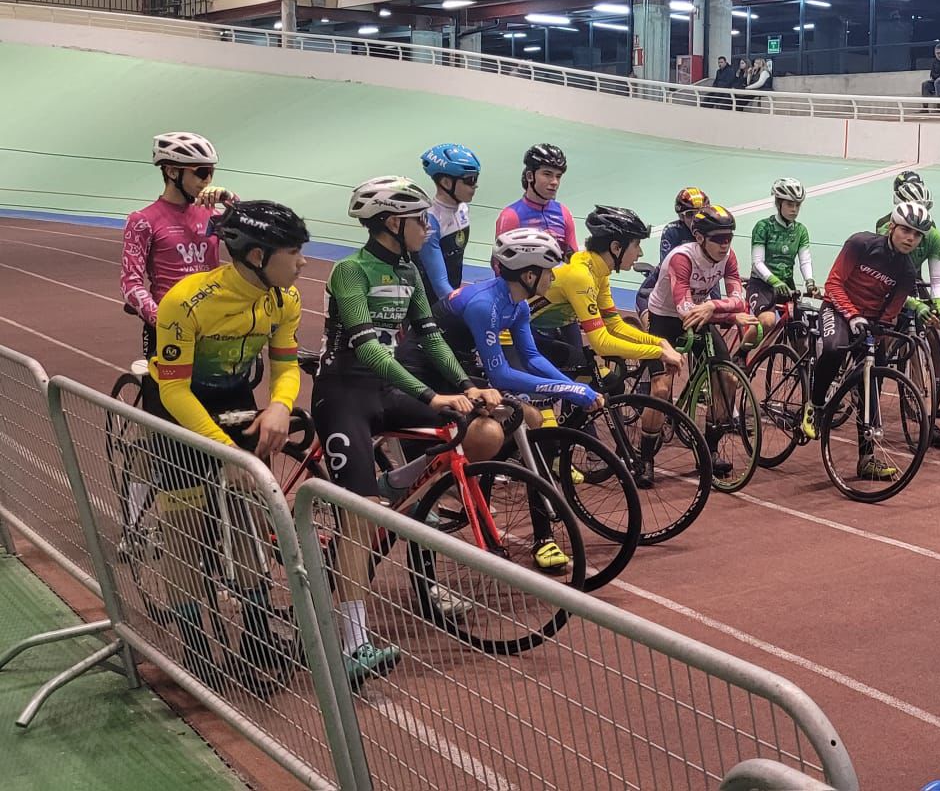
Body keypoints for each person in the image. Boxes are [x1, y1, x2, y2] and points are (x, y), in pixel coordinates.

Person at [314, 175, 504, 687]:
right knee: (358, 520)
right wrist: (429, 395)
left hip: (387, 393)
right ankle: (354, 643)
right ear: (394, 223)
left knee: (481, 430)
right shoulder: (350, 271)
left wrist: (467, 384)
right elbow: (367, 347)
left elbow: (431, 336)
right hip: (344, 393)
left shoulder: (409, 271)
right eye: (420, 219)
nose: (427, 227)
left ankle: (398, 484)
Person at [145, 200, 308, 693]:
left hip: (236, 402)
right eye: (293, 252)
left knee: (248, 520)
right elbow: (173, 390)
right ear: (257, 255)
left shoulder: (284, 298)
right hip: (178, 409)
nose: (302, 263)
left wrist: (279, 405)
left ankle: (256, 634)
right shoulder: (187, 300)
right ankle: (193, 642)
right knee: (185, 529)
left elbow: (285, 367)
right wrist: (224, 449)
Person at [427, 228, 603, 572]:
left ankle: (523, 518)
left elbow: (532, 357)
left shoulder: (516, 304)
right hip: (436, 372)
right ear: (529, 274)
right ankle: (472, 489)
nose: (553, 279)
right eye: (548, 271)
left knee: (528, 422)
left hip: (464, 367)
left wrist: (573, 386)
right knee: (521, 422)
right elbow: (502, 376)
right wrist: (569, 391)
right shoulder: (484, 305)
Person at [530, 207, 687, 486]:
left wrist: (658, 340)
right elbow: (602, 342)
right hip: (516, 338)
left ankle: (563, 432)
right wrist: (658, 352)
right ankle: (550, 448)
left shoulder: (598, 271)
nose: (639, 254)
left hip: (537, 334)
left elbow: (614, 325)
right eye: (636, 245)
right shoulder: (581, 275)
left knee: (609, 380)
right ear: (616, 247)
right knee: (574, 380)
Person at [804, 202, 929, 480]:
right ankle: (815, 404)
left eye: (917, 234)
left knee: (871, 381)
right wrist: (851, 315)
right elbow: (833, 284)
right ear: (892, 227)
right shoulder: (860, 243)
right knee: (835, 348)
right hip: (837, 309)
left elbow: (891, 311)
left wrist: (881, 335)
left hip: (869, 321)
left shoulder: (907, 270)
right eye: (906, 230)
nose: (911, 238)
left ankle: (867, 458)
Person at [643, 204, 756, 474]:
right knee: (660, 389)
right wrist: (724, 312)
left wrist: (713, 308)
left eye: (728, 237)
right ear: (700, 237)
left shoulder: (728, 258)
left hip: (703, 314)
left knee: (727, 380)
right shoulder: (681, 258)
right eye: (718, 238)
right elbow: (684, 309)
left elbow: (739, 300)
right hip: (666, 319)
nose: (724, 244)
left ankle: (710, 450)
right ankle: (644, 458)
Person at [121, 131, 238, 358]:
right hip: (170, 325)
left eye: (211, 172)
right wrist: (164, 321)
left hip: (214, 324)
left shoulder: (212, 214)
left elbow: (256, 237)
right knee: (168, 393)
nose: (207, 181)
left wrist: (229, 198)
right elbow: (130, 284)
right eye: (201, 172)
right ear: (172, 171)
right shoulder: (142, 221)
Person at [876, 175, 940, 419]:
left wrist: (938, 305)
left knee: (933, 331)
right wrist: (914, 304)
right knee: (882, 335)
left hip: (913, 283)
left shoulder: (933, 234)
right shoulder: (885, 226)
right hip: (886, 282)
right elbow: (886, 281)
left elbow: (938, 278)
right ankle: (869, 382)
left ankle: (928, 395)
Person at [415, 142, 481, 307]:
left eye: (476, 179)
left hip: (450, 295)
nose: (475, 185)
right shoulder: (430, 222)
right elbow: (440, 283)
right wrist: (464, 309)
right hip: (429, 305)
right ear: (445, 182)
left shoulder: (463, 209)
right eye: (469, 180)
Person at [747, 177, 817, 331]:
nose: (794, 209)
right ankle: (741, 354)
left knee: (801, 333)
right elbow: (757, 262)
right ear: (779, 204)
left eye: (798, 205)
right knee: (767, 322)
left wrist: (809, 281)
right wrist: (774, 281)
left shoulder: (800, 230)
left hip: (786, 285)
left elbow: (805, 259)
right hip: (761, 285)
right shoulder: (763, 227)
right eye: (790, 205)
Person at [637, 186, 713, 313]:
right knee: (642, 297)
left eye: (701, 213)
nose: (696, 219)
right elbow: (667, 266)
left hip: (704, 279)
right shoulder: (672, 231)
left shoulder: (713, 230)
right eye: (690, 214)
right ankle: (648, 330)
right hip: (677, 278)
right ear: (681, 217)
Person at [496, 143, 577, 254]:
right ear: (530, 176)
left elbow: (574, 258)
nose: (555, 182)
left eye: (558, 176)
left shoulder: (564, 213)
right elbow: (499, 264)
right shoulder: (510, 216)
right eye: (547, 174)